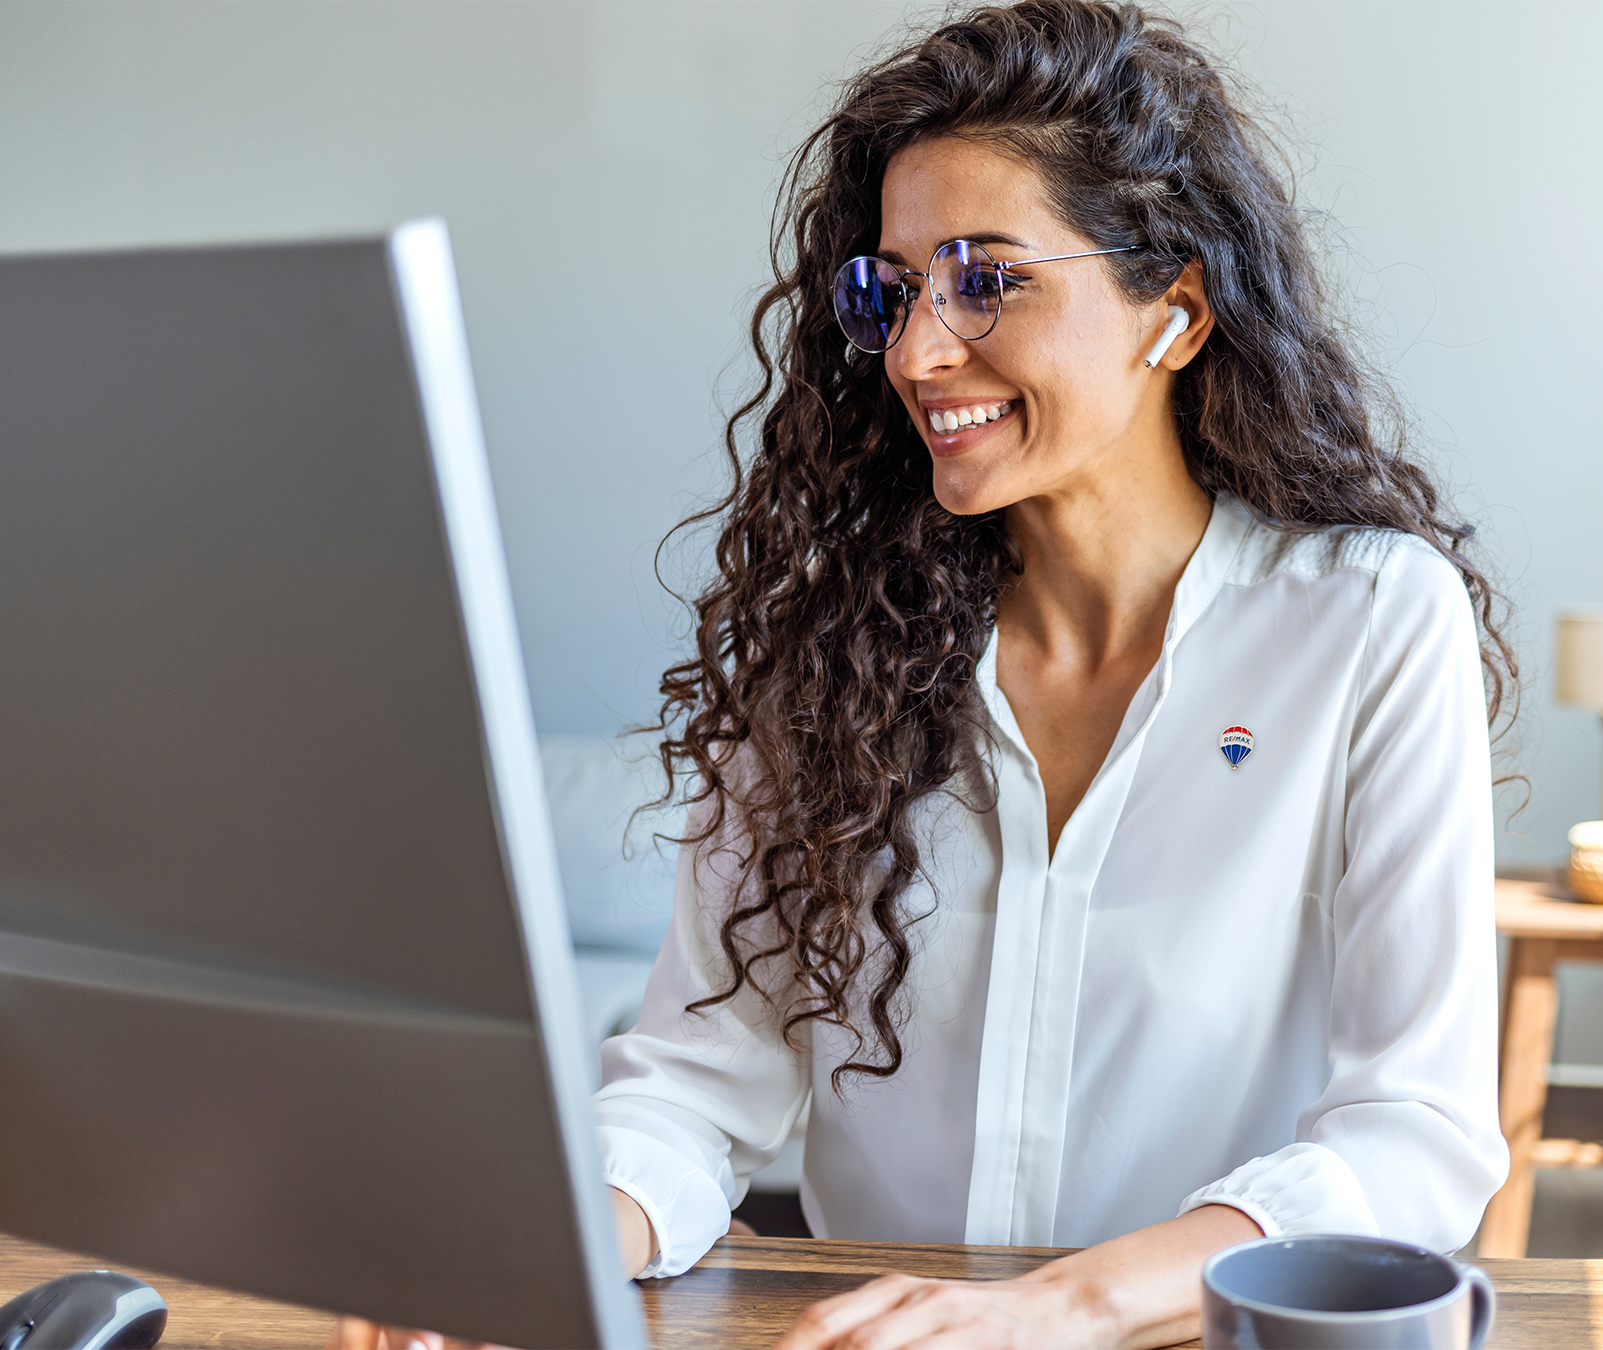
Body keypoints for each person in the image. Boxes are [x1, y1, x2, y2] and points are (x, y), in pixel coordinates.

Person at [335, 3, 1514, 1348]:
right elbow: (692, 1084)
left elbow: (1415, 1135)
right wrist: (526, 1257)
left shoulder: (1367, 624)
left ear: (1175, 312)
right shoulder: (835, 648)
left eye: (986, 280)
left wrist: (1062, 1308)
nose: (916, 352)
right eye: (895, 291)